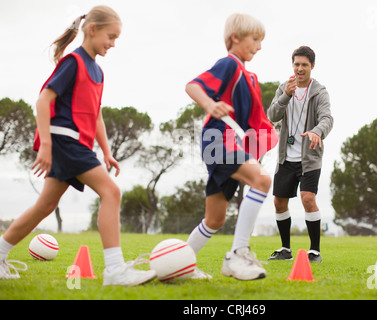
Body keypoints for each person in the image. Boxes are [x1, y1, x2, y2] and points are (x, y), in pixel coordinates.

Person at [0, 6, 156, 286]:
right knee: (111, 192)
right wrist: (45, 145)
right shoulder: (73, 62)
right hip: (64, 141)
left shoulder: (98, 71)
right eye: (110, 36)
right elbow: (43, 101)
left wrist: (107, 152)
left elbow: (95, 114)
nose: (113, 43)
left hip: (75, 145)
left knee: (45, 205)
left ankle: (0, 252)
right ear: (92, 30)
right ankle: (115, 270)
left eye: (117, 38)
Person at [185, 13, 278, 280]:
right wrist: (210, 105)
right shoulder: (229, 64)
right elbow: (192, 86)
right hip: (217, 140)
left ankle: (179, 265)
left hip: (228, 143)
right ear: (235, 38)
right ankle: (238, 253)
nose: (259, 46)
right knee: (261, 179)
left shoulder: (249, 78)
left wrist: (281, 138)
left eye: (261, 40)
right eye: (255, 39)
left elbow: (257, 123)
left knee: (214, 219)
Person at [266, 46, 333, 263]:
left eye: (304, 64)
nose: (300, 68)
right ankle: (285, 249)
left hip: (309, 157)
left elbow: (327, 119)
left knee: (308, 198)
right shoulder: (284, 88)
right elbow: (272, 115)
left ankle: (315, 251)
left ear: (312, 66)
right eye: (296, 64)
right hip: (286, 156)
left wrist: (316, 131)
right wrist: (286, 95)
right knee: (278, 202)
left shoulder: (319, 92)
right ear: (292, 65)